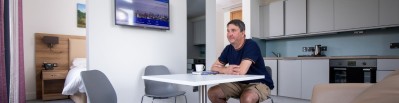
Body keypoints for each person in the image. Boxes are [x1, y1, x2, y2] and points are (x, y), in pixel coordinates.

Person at [208, 19, 274, 103]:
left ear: (243, 33)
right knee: (213, 93)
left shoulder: (251, 45)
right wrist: (226, 69)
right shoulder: (228, 49)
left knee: (247, 98)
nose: (229, 34)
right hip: (238, 83)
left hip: (258, 83)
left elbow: (241, 71)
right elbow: (213, 67)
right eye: (228, 31)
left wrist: (223, 69)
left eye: (233, 30)